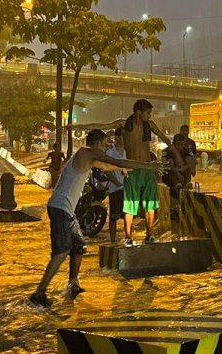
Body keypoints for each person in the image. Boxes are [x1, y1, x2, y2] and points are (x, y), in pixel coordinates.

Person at [29, 129, 164, 307]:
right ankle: (39, 293)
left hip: (66, 210)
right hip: (60, 208)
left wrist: (125, 168)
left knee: (78, 247)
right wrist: (148, 166)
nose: (107, 146)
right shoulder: (86, 152)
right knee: (61, 251)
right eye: (105, 143)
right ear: (98, 143)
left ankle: (73, 284)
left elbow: (109, 166)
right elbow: (115, 161)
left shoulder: (88, 158)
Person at [120, 99, 184, 246]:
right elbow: (102, 126)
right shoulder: (125, 125)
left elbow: (165, 139)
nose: (150, 115)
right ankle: (128, 237)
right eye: (148, 113)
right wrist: (76, 127)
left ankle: (149, 234)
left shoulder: (149, 125)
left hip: (148, 168)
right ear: (138, 112)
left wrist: (178, 156)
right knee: (130, 204)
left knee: (150, 202)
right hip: (132, 169)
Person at [105, 127, 127, 243]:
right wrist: (117, 182)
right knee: (113, 217)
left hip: (127, 188)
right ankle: (113, 240)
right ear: (117, 137)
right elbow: (108, 170)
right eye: (122, 136)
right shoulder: (110, 152)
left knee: (128, 215)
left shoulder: (128, 151)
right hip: (115, 189)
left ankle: (128, 237)